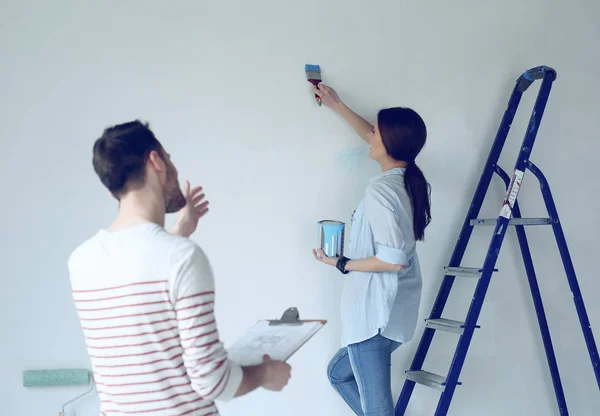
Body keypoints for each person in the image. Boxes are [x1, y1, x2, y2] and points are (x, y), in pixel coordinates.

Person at [68, 121, 291, 416]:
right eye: (169, 157)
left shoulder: (82, 261)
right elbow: (212, 382)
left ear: (113, 191)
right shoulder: (181, 258)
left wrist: (179, 231)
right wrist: (266, 374)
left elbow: (142, 282)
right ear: (156, 161)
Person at [312, 83, 431, 416]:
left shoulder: (381, 190)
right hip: (393, 314)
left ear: (389, 143)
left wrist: (342, 263)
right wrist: (337, 105)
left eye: (376, 133)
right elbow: (371, 135)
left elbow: (391, 261)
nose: (371, 136)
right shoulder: (409, 180)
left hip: (374, 318)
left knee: (379, 410)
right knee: (339, 374)